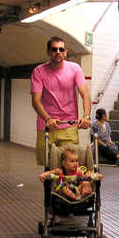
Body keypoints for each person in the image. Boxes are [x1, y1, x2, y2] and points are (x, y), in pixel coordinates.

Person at [31, 36, 92, 165]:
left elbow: (85, 95)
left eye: (61, 49)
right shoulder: (38, 72)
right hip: (47, 126)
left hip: (69, 125)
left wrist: (86, 116)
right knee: (49, 167)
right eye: (54, 49)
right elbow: (36, 101)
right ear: (48, 52)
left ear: (65, 52)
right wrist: (48, 119)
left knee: (71, 165)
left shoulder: (75, 69)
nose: (57, 52)